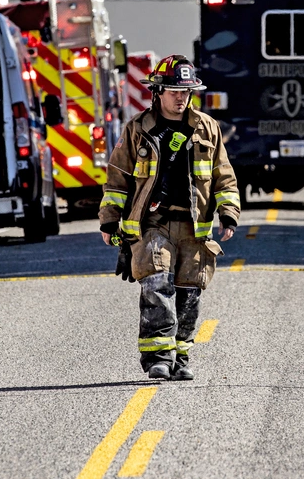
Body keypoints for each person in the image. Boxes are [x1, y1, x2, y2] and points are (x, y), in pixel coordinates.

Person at [99, 54, 240, 381]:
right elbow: (117, 177)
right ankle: (158, 357)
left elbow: (224, 175)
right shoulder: (137, 129)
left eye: (187, 92)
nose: (181, 97)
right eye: (175, 91)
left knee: (188, 292)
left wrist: (228, 213)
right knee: (156, 284)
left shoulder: (207, 128)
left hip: (194, 228)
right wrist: (109, 221)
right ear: (158, 91)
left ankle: (180, 356)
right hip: (152, 225)